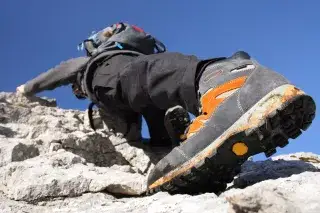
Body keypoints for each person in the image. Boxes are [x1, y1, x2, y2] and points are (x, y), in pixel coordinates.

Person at [16, 22, 316, 194]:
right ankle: (194, 146)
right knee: (161, 133)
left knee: (136, 77)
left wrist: (25, 90)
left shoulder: (89, 67)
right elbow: (131, 129)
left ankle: (229, 79)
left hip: (119, 82)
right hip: (144, 103)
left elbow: (53, 75)